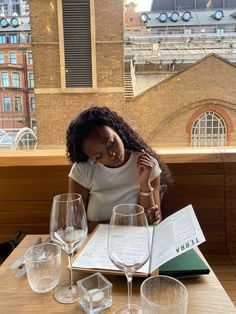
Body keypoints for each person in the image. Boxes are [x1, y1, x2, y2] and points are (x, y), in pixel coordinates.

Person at [66, 106, 172, 229]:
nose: (112, 154)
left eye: (111, 143)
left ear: (118, 131)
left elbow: (153, 222)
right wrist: (131, 221)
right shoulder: (83, 169)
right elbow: (75, 226)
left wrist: (144, 184)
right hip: (95, 243)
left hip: (136, 240)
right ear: (91, 158)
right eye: (99, 156)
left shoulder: (146, 164)